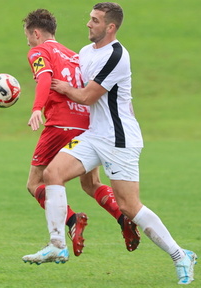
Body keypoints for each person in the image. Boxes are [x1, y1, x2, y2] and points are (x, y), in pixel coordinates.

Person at [22, 3, 197, 285]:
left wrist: (62, 89)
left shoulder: (118, 55)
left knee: (130, 206)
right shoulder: (85, 52)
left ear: (110, 27)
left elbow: (87, 96)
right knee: (52, 174)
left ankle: (180, 255)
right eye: (90, 19)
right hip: (93, 134)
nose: (88, 24)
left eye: (95, 20)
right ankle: (56, 245)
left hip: (119, 139)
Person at [21, 8, 140, 258]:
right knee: (91, 183)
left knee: (35, 183)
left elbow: (44, 80)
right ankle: (122, 218)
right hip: (86, 125)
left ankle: (72, 221)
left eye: (28, 36)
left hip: (59, 125)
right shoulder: (73, 54)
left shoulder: (38, 51)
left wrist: (36, 109)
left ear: (35, 33)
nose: (28, 41)